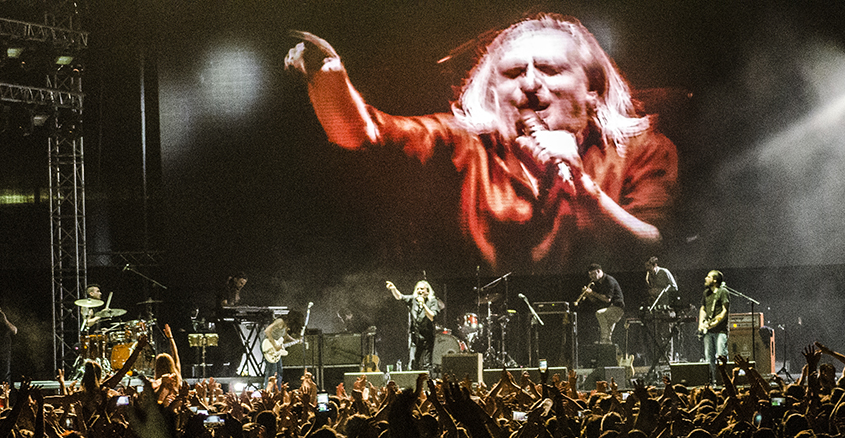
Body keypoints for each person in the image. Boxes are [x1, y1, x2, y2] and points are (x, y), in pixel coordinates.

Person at [284, 15, 678, 274]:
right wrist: (327, 76)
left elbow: (653, 251)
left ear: (593, 89)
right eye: (513, 73)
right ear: (492, 94)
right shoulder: (465, 144)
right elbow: (366, 133)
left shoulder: (643, 150)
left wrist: (586, 191)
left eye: (549, 69)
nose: (529, 84)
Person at [386, 280, 439, 372]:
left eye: (422, 289)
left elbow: (432, 317)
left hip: (427, 337)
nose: (419, 291)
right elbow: (400, 297)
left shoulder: (432, 301)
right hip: (415, 336)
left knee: (426, 363)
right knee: (413, 362)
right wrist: (393, 289)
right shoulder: (413, 300)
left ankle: (428, 379)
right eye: (418, 289)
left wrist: (423, 305)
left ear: (427, 291)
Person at [575, 263, 625, 345]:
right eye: (590, 275)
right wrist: (589, 295)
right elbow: (596, 301)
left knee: (599, 314)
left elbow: (607, 299)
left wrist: (592, 292)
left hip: (617, 308)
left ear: (598, 271)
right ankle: (607, 343)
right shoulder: (597, 283)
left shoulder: (609, 280)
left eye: (592, 274)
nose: (591, 277)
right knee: (608, 337)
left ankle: (604, 339)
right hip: (609, 308)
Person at [645, 255, 680, 362]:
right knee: (657, 336)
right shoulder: (649, 276)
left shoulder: (664, 272)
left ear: (655, 265)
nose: (647, 269)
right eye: (646, 266)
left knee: (667, 335)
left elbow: (674, 287)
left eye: (649, 266)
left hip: (667, 308)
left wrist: (659, 291)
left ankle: (668, 359)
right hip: (657, 308)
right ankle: (659, 359)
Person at [698, 269, 729, 385]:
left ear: (715, 280)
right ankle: (712, 382)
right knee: (709, 357)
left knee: (721, 356)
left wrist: (715, 323)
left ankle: (724, 382)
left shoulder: (723, 292)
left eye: (708, 277)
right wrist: (701, 323)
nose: (706, 278)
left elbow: (725, 311)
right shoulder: (706, 293)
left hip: (720, 330)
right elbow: (703, 309)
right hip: (708, 330)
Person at [261, 315, 301, 389]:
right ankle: (267, 391)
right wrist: (275, 345)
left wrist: (295, 340)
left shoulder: (285, 326)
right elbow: (267, 331)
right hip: (269, 346)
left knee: (279, 371)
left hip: (276, 349)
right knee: (272, 371)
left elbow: (285, 336)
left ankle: (278, 390)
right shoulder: (280, 321)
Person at [0, 305, 17, 384]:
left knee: (5, 373)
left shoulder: (5, 320)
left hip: (4, 351)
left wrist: (4, 320)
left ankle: (6, 389)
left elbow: (14, 330)